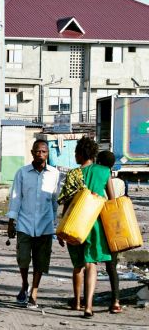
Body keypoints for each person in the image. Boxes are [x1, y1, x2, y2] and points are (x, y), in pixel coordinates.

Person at [57, 136, 115, 318]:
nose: (75, 155)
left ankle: (77, 302)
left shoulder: (73, 174)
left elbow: (66, 203)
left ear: (81, 154)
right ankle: (88, 306)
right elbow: (112, 201)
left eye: (75, 152)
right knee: (91, 264)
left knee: (78, 266)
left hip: (74, 223)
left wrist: (61, 229)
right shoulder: (104, 172)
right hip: (95, 224)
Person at [6, 139, 60, 309]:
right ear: (32, 153)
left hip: (45, 224)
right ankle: (24, 285)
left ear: (47, 154)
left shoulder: (54, 174)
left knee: (41, 260)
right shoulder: (22, 173)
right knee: (23, 259)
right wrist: (11, 221)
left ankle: (34, 292)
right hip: (24, 223)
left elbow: (55, 201)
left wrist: (56, 225)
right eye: (37, 151)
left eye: (44, 152)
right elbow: (15, 197)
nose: (40, 154)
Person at [96, 150, 124, 314]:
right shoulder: (121, 183)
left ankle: (85, 300)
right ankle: (116, 301)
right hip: (114, 226)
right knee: (111, 267)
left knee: (90, 264)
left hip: (97, 224)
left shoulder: (96, 178)